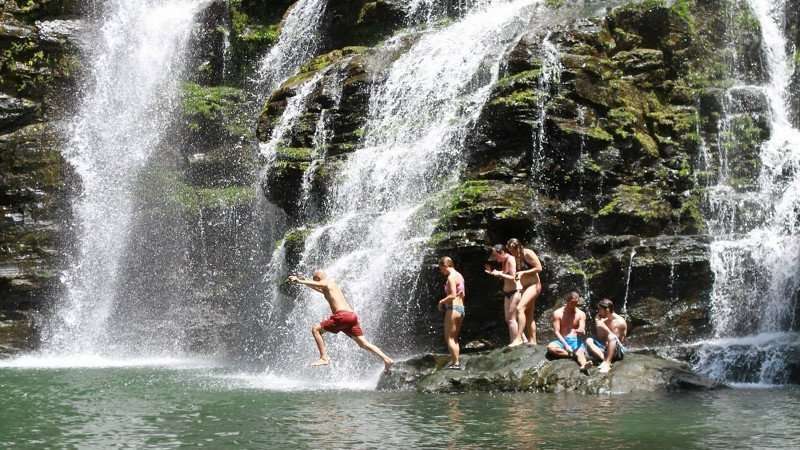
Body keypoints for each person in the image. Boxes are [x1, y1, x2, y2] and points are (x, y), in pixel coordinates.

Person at [288, 270, 394, 372]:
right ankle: (386, 359)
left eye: (315, 279)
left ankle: (324, 357)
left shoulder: (328, 282)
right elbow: (318, 288)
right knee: (363, 344)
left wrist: (299, 280)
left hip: (342, 316)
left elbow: (321, 284)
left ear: (318, 278)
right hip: (351, 317)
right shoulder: (329, 287)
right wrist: (304, 281)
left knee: (315, 329)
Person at [485, 244, 524, 347]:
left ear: (502, 252)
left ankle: (516, 342)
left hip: (515, 291)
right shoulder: (504, 261)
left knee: (511, 319)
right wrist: (494, 272)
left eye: (495, 255)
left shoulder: (511, 259)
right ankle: (520, 339)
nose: (494, 258)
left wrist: (500, 274)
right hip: (507, 293)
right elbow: (505, 274)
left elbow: (514, 277)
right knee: (509, 319)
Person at [506, 238, 543, 345]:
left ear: (518, 247)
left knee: (520, 308)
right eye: (510, 251)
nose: (511, 253)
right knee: (529, 314)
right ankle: (533, 341)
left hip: (534, 285)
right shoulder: (516, 257)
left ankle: (518, 338)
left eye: (513, 250)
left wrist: (523, 273)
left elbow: (539, 268)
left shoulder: (527, 253)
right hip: (525, 287)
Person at [546, 291, 592, 372]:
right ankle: (572, 355)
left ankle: (584, 365)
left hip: (575, 341)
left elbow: (582, 328)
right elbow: (556, 332)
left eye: (576, 303)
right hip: (562, 340)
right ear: (567, 301)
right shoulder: (558, 313)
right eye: (572, 303)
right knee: (551, 348)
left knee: (580, 353)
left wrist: (581, 331)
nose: (574, 305)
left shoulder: (581, 314)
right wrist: (566, 345)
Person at [437, 256, 466, 369]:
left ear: (445, 266)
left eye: (441, 269)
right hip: (461, 309)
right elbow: (462, 294)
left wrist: (441, 301)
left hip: (453, 309)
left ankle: (456, 363)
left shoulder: (451, 277)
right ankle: (455, 361)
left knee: (449, 338)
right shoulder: (460, 276)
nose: (441, 271)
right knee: (454, 338)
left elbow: (453, 295)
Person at [586, 298, 627, 374]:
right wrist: (598, 323)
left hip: (616, 350)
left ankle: (607, 363)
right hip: (605, 349)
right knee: (589, 340)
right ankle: (604, 360)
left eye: (600, 309)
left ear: (607, 310)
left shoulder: (619, 322)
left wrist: (603, 326)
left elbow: (614, 339)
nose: (598, 311)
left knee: (611, 337)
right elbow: (600, 337)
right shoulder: (604, 320)